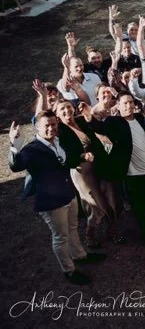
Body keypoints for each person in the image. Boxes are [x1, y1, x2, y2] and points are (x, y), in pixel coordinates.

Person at [8, 113, 105, 285]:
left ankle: (80, 256)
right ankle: (69, 270)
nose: (51, 128)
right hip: (51, 202)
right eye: (46, 125)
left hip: (67, 193)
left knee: (73, 227)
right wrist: (14, 144)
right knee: (61, 236)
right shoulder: (32, 149)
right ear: (37, 127)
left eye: (53, 124)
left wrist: (82, 157)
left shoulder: (59, 142)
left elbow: (65, 162)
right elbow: (16, 166)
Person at [86, 92, 145, 248]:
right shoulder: (114, 122)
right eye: (125, 103)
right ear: (118, 106)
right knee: (139, 206)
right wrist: (89, 115)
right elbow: (99, 128)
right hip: (132, 173)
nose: (129, 106)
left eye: (130, 102)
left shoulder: (140, 119)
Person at [53, 99, 119, 248]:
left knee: (111, 200)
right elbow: (63, 157)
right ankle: (89, 234)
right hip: (82, 172)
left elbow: (97, 134)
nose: (67, 111)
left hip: (100, 166)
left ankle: (112, 231)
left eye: (69, 107)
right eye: (62, 109)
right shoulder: (59, 131)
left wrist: (89, 114)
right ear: (57, 114)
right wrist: (82, 156)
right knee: (98, 206)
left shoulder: (82, 121)